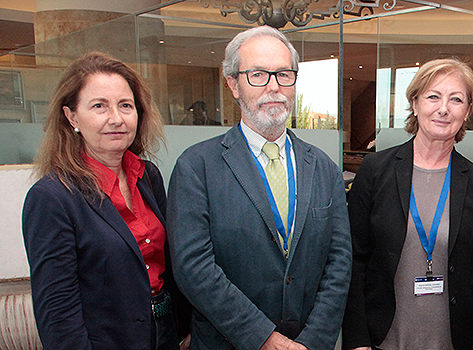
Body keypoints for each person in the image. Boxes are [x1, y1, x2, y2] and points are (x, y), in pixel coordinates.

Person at [166, 26, 352, 350]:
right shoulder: (196, 167)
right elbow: (193, 267)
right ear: (233, 85)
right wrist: (264, 339)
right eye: (258, 75)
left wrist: (312, 342)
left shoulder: (325, 169)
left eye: (284, 74)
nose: (274, 87)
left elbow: (339, 263)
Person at [22, 51, 190, 350]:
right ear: (71, 116)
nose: (116, 118)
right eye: (99, 106)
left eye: (125, 106)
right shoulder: (51, 197)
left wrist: (184, 328)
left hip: (164, 336)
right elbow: (57, 313)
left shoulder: (147, 176)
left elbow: (171, 265)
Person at [342, 58, 473, 350]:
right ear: (415, 103)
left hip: (454, 342)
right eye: (433, 96)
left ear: (467, 112)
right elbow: (354, 260)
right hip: (383, 340)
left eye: (456, 99)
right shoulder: (376, 171)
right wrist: (357, 339)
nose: (443, 108)